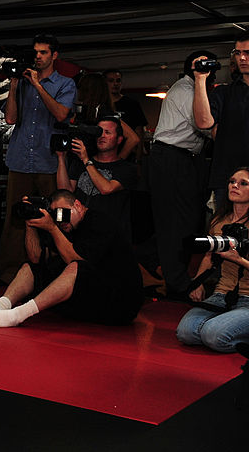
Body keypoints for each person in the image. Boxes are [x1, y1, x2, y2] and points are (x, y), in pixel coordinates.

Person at [0, 189, 143, 328]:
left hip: (119, 303)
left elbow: (75, 260)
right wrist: (31, 223)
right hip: (88, 300)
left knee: (75, 267)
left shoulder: (99, 222)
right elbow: (35, 258)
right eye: (56, 214)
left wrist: (52, 228)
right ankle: (1, 305)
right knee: (30, 267)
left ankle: (19, 314)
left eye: (64, 213)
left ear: (78, 206)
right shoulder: (63, 227)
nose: (60, 219)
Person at [0, 34, 77, 282]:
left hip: (48, 160)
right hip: (21, 159)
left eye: (43, 52)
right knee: (16, 216)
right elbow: (10, 119)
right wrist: (13, 85)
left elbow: (61, 114)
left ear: (54, 55)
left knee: (51, 217)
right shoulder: (22, 83)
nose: (38, 57)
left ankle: (51, 271)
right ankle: (10, 272)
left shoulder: (66, 84)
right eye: (36, 52)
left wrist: (38, 86)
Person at [147, 51, 215, 297]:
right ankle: (177, 283)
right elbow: (204, 125)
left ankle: (159, 266)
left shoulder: (195, 90)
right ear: (192, 68)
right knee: (175, 221)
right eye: (202, 64)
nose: (207, 68)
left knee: (187, 219)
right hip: (172, 156)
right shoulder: (186, 90)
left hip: (187, 158)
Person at [176, 167, 249, 352]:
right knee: (186, 333)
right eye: (232, 181)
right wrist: (198, 282)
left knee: (213, 336)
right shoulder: (220, 221)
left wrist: (239, 260)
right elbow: (209, 255)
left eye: (243, 183)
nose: (235, 186)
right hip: (222, 294)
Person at [55, 115, 138, 240]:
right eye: (99, 132)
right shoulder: (80, 162)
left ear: (119, 139)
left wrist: (86, 159)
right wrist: (61, 158)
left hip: (110, 234)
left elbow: (106, 188)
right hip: (81, 231)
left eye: (107, 132)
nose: (102, 136)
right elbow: (65, 191)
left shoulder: (126, 168)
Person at [192, 38, 249, 202]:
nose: (242, 58)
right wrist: (200, 80)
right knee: (223, 226)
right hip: (229, 179)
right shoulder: (224, 93)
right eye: (238, 53)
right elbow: (203, 122)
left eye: (247, 53)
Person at [72, 73, 139, 160]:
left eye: (81, 88)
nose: (78, 91)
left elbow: (133, 139)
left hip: (96, 165)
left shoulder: (104, 112)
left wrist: (116, 162)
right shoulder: (86, 111)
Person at [104, 68, 148, 159]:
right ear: (105, 83)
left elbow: (139, 131)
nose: (115, 84)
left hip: (128, 154)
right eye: (111, 81)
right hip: (105, 153)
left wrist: (139, 157)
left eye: (118, 80)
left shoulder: (131, 104)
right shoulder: (101, 105)